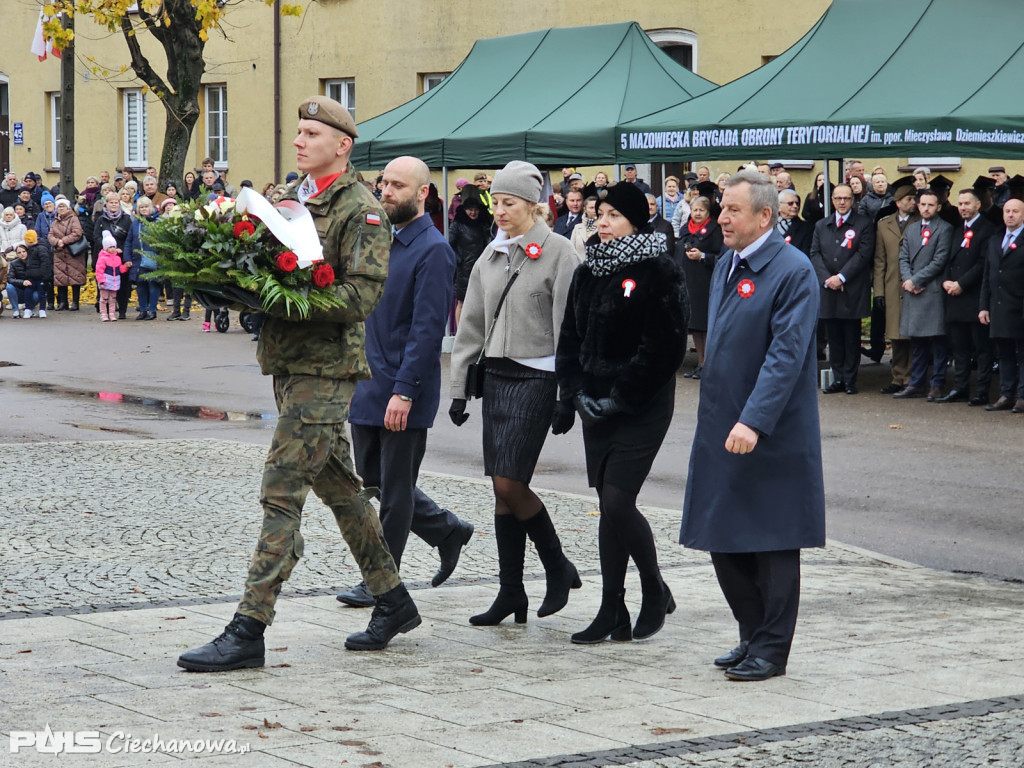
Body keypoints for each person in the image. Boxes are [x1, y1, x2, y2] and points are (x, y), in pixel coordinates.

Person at [177, 95, 420, 672]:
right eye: (299, 131)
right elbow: (258, 261)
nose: (300, 140)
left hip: (326, 369)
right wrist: (232, 286)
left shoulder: (361, 210)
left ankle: (248, 627)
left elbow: (362, 296)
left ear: (343, 146)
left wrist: (284, 300)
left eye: (312, 133)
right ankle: (393, 599)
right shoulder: (289, 198)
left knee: (281, 491)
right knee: (340, 488)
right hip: (287, 361)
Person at [680, 169, 825, 682]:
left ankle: (772, 647)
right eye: (721, 208)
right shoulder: (726, 265)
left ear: (765, 216)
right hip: (722, 423)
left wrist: (754, 421)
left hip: (771, 431)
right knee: (723, 534)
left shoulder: (793, 269)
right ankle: (750, 631)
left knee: (773, 540)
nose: (721, 217)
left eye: (732, 210)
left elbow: (786, 356)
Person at [337, 156, 475, 608]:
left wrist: (405, 391)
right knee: (372, 479)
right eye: (383, 182)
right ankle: (446, 529)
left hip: (402, 389)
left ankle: (383, 582)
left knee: (394, 495)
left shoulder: (434, 250)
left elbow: (427, 329)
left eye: (397, 185)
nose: (386, 190)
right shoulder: (378, 239)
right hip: (368, 382)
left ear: (423, 193)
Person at [449, 160, 582, 626]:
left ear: (534, 206)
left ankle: (557, 565)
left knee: (511, 481)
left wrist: (568, 391)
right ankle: (511, 592)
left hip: (539, 377)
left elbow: (570, 325)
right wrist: (460, 387)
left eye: (509, 203)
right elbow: (471, 327)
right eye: (496, 202)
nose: (499, 211)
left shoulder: (560, 252)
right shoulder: (490, 255)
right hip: (498, 377)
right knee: (501, 491)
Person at [556, 182, 688, 644]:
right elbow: (570, 338)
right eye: (599, 215)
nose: (602, 223)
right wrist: (571, 394)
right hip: (595, 404)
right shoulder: (587, 270)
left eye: (612, 216)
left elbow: (666, 347)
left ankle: (654, 588)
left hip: (641, 403)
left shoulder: (660, 270)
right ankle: (612, 607)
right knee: (605, 508)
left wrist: (622, 397)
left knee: (618, 501)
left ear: (635, 220)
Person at [811, 184, 875, 394]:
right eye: (838, 198)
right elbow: (815, 254)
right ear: (832, 200)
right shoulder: (822, 225)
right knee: (834, 337)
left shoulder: (864, 223)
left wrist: (841, 277)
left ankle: (850, 379)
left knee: (851, 336)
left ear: (852, 200)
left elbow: (863, 254)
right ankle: (837, 377)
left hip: (852, 288)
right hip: (828, 288)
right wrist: (827, 279)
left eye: (846, 198)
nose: (841, 202)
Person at [938, 188, 998, 404]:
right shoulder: (956, 230)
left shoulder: (988, 230)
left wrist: (961, 284)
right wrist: (946, 280)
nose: (963, 207)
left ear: (977, 205)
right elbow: (947, 259)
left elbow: (984, 263)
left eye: (967, 204)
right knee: (959, 348)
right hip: (954, 298)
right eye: (960, 204)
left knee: (982, 349)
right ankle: (960, 388)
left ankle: (981, 391)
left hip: (974, 297)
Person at [893, 190, 953, 401]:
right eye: (923, 204)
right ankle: (916, 383)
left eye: (930, 205)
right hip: (914, 290)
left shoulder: (945, 229)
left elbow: (940, 260)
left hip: (932, 290)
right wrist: (909, 281)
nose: (926, 208)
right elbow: (903, 257)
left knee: (937, 342)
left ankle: (937, 384)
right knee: (917, 342)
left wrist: (917, 280)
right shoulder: (911, 230)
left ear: (938, 207)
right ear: (918, 206)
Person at [873, 183, 919, 393]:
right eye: (909, 199)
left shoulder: (920, 222)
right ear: (898, 203)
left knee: (913, 334)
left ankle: (912, 378)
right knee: (896, 334)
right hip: (892, 285)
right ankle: (898, 378)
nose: (913, 203)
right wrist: (879, 292)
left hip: (914, 285)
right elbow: (880, 261)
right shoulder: (884, 224)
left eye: (914, 199)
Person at [979, 198, 1024, 413]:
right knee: (1004, 353)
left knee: (1022, 354)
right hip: (998, 306)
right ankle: (1006, 394)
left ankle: (1022, 396)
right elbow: (987, 276)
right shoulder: (995, 239)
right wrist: (983, 306)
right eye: (1007, 211)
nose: (1011, 215)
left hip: (1019, 306)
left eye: (1015, 211)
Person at [675, 196, 721, 380]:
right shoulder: (686, 228)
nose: (698, 213)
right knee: (695, 326)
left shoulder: (715, 229)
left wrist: (703, 256)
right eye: (695, 210)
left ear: (708, 212)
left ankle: (709, 364)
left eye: (701, 210)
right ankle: (701, 362)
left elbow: (720, 255)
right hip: (689, 281)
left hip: (706, 281)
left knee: (706, 325)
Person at [92, 191, 136, 319]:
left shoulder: (126, 219)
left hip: (121, 256)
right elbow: (96, 236)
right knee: (105, 285)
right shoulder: (101, 219)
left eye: (116, 202)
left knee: (123, 284)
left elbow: (130, 237)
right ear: (106, 204)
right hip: (104, 257)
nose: (113, 205)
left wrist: (119, 249)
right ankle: (105, 312)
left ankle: (122, 310)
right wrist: (108, 248)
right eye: (111, 202)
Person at [449, 196, 493, 325]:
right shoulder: (457, 225)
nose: (473, 213)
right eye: (470, 210)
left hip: (482, 268)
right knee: (462, 302)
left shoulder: (484, 225)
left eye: (475, 210)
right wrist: (459, 259)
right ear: (464, 210)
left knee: (481, 301)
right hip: (463, 269)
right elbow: (448, 245)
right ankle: (459, 333)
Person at [49, 197, 86, 311]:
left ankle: (75, 302)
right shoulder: (55, 222)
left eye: (63, 206)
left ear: (68, 207)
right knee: (61, 279)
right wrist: (56, 242)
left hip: (72, 252)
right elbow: (50, 235)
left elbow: (77, 233)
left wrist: (63, 241)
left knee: (75, 278)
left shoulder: (73, 219)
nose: (61, 208)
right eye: (59, 206)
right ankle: (63, 302)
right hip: (59, 253)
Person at [131, 197, 161, 320]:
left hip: (154, 258)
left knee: (154, 285)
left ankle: (152, 310)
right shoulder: (135, 223)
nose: (144, 209)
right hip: (139, 258)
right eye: (141, 207)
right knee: (141, 285)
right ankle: (143, 309)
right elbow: (130, 240)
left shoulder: (158, 221)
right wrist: (128, 257)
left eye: (146, 207)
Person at [94, 231, 127, 322]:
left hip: (114, 282)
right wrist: (101, 281)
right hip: (105, 282)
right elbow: (99, 271)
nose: (112, 249)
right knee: (104, 299)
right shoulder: (102, 258)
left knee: (113, 299)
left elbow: (120, 269)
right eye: (110, 247)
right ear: (105, 248)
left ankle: (112, 313)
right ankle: (104, 314)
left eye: (114, 247)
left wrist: (126, 267)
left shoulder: (117, 258)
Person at [776, 190, 813, 256]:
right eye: (790, 203)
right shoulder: (768, 226)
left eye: (797, 203)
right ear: (779, 206)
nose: (795, 206)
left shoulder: (806, 228)